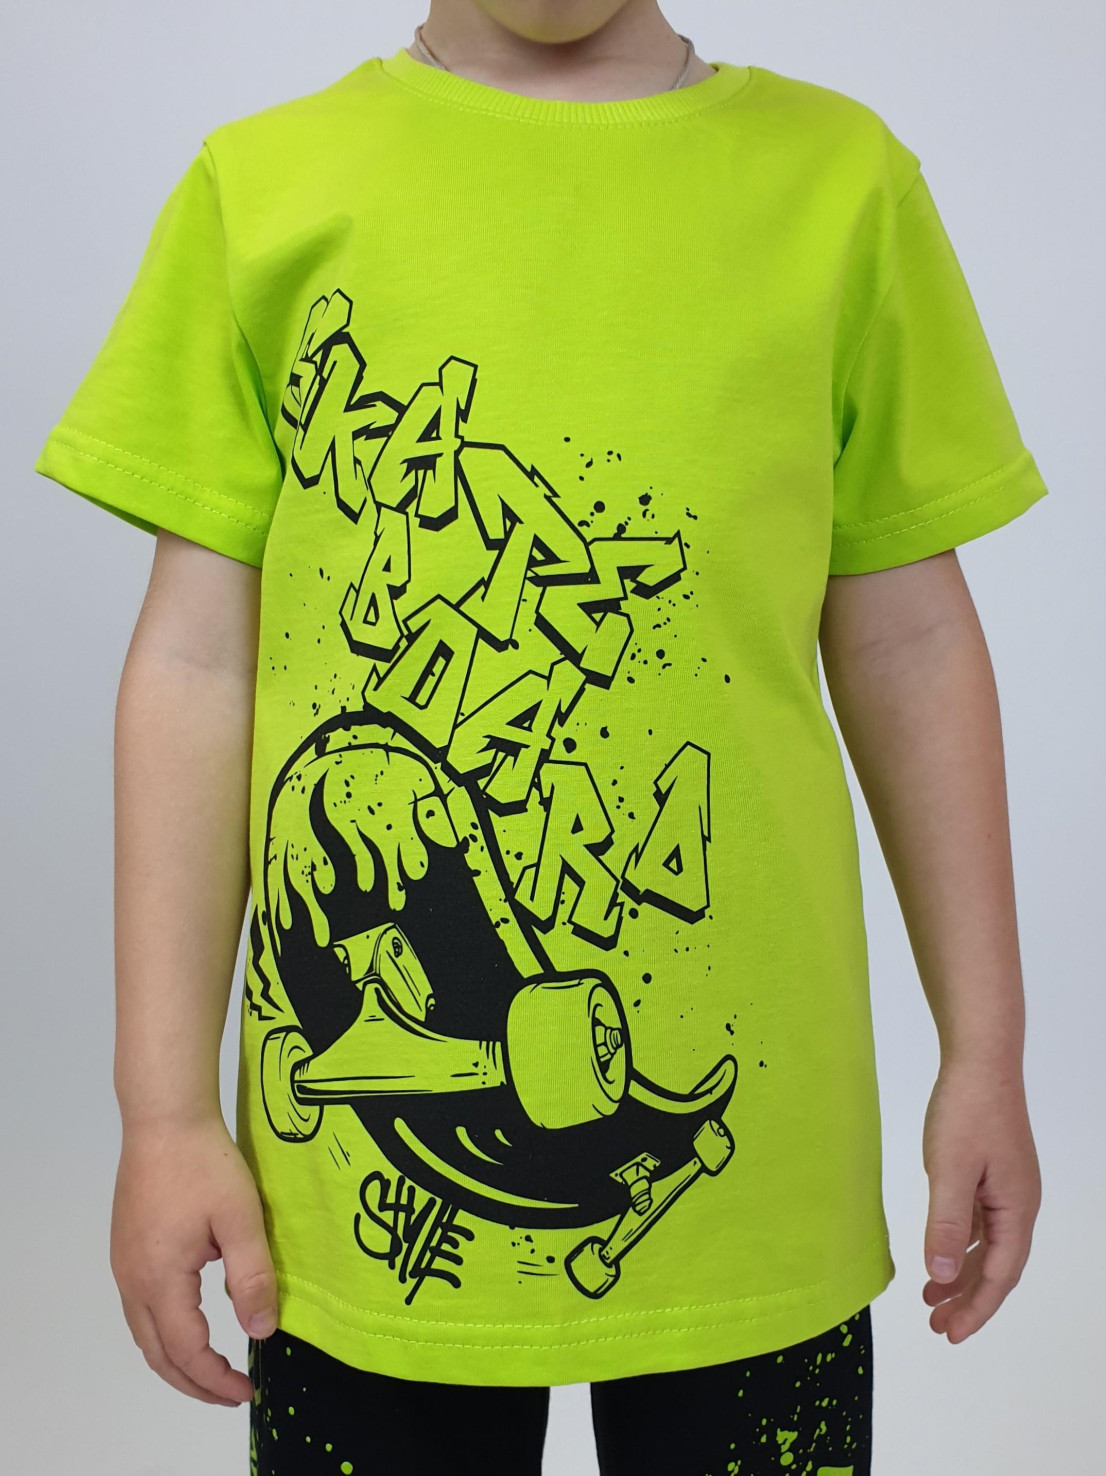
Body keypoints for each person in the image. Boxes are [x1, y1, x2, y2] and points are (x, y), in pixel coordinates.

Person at [35, 1, 1047, 1471]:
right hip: (361, 1203)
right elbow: (196, 667)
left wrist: (986, 1050)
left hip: (755, 1179)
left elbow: (911, 642)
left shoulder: (844, 186)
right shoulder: (261, 189)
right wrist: (163, 1111)